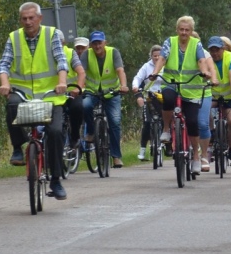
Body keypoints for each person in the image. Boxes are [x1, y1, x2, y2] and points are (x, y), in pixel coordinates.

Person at [0, 2, 70, 200]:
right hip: (24, 94)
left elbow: (61, 60)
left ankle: (55, 179)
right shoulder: (14, 37)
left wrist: (62, 82)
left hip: (51, 95)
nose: (28, 22)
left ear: (40, 18)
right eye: (24, 18)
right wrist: (4, 84)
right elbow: (3, 64)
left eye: (31, 18)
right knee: (11, 104)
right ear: (20, 20)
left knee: (54, 132)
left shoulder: (52, 34)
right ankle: (18, 148)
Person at [151, 16, 218, 174]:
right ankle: (166, 129)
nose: (184, 32)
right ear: (177, 30)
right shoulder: (170, 42)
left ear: (191, 31)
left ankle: (196, 156)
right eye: (181, 29)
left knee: (193, 123)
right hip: (171, 83)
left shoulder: (196, 44)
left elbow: (201, 60)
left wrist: (203, 72)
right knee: (167, 99)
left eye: (187, 30)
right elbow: (163, 58)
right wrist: (155, 73)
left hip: (191, 88)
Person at [80, 30, 129, 168]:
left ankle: (116, 156)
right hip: (92, 91)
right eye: (94, 43)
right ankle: (90, 131)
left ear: (105, 43)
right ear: (91, 45)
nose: (97, 46)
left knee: (114, 121)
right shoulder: (86, 54)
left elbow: (120, 70)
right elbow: (82, 72)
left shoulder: (113, 52)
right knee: (85, 105)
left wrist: (124, 85)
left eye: (99, 43)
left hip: (112, 92)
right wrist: (80, 87)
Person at [205, 35, 231, 164]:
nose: (215, 53)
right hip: (212, 95)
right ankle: (211, 132)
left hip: (228, 95)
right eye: (212, 50)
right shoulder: (206, 59)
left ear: (223, 49)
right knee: (204, 111)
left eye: (217, 50)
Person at [132, 44, 165, 161]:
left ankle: (169, 144)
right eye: (154, 56)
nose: (156, 58)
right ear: (151, 56)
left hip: (163, 96)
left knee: (168, 120)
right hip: (149, 97)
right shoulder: (146, 67)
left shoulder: (167, 65)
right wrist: (136, 87)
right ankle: (142, 150)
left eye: (158, 55)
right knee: (147, 123)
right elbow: (138, 78)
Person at [65, 36, 88, 155]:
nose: (80, 51)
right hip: (69, 92)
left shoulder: (90, 59)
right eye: (78, 48)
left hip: (83, 91)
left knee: (84, 108)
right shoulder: (71, 56)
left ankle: (89, 135)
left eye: (82, 48)